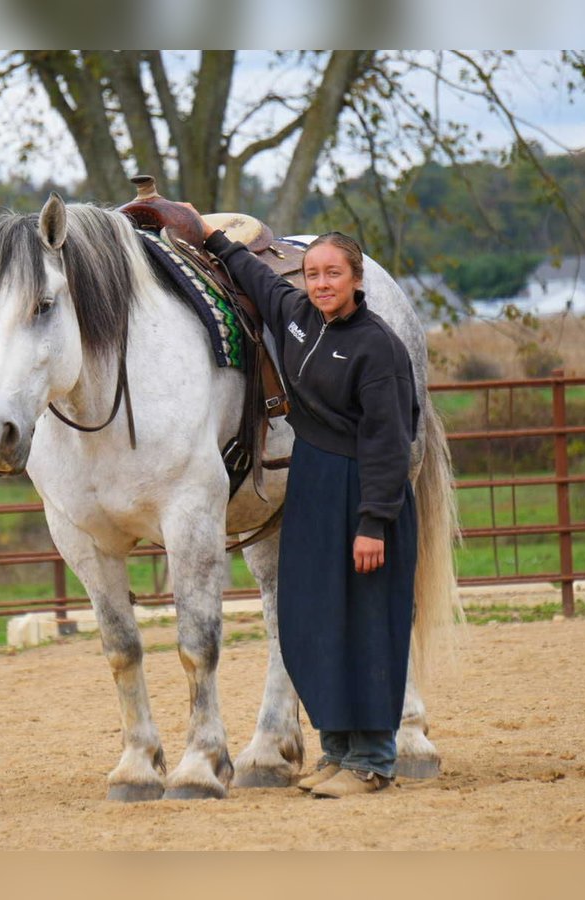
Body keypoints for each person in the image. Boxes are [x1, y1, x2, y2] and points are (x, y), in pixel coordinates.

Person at [200, 218, 420, 799]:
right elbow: (256, 278)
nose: (322, 283)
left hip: (365, 488)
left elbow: (390, 443)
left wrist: (374, 524)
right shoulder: (299, 319)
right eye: (314, 274)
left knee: (366, 623)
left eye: (333, 274)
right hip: (313, 486)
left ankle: (372, 761)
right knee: (316, 620)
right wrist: (207, 234)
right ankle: (338, 751)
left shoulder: (378, 347)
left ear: (356, 279)